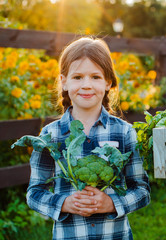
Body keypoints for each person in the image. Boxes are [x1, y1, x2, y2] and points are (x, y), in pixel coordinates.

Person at [26, 37, 150, 240]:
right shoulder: (50, 136)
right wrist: (64, 203)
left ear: (108, 83)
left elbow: (142, 190)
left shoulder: (125, 133)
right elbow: (34, 193)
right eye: (77, 77)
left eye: (95, 77)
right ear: (63, 82)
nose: (86, 85)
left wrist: (111, 203)